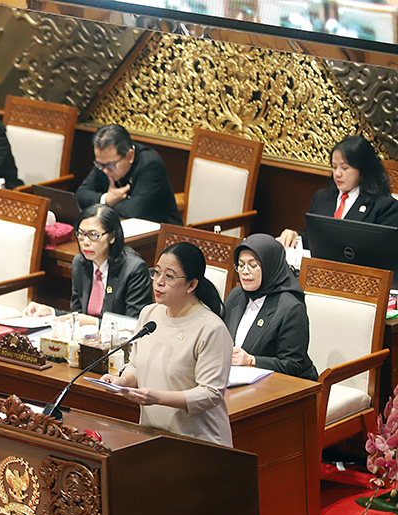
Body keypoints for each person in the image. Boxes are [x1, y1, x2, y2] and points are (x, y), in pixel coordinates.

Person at [99, 242, 234, 447]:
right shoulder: (149, 314)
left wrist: (158, 397)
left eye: (169, 276)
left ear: (191, 285)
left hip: (198, 442)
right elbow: (136, 365)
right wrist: (122, 382)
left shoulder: (211, 328)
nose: (158, 282)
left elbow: (210, 393)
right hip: (152, 435)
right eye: (157, 272)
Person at [23, 204, 152, 320]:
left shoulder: (134, 269)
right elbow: (78, 315)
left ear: (112, 237)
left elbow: (133, 325)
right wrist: (51, 312)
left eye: (93, 235)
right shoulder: (80, 263)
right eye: (81, 234)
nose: (85, 242)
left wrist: (94, 323)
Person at [223, 234, 318, 380]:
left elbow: (293, 365)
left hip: (286, 386)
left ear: (270, 266)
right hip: (236, 379)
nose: (245, 271)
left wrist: (251, 361)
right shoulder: (236, 296)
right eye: (241, 265)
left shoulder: (291, 308)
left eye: (253, 265)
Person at [277, 135, 398, 249]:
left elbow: (385, 254)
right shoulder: (321, 198)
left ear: (362, 170)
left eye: (344, 168)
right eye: (334, 167)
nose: (337, 174)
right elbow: (312, 241)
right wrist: (295, 237)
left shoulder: (384, 206)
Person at [75, 124, 182, 226]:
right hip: (119, 227)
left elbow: (132, 211)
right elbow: (80, 195)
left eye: (111, 165)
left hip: (161, 233)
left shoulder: (150, 164)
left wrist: (106, 205)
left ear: (130, 156)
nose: (105, 171)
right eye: (100, 165)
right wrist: (106, 199)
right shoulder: (105, 162)